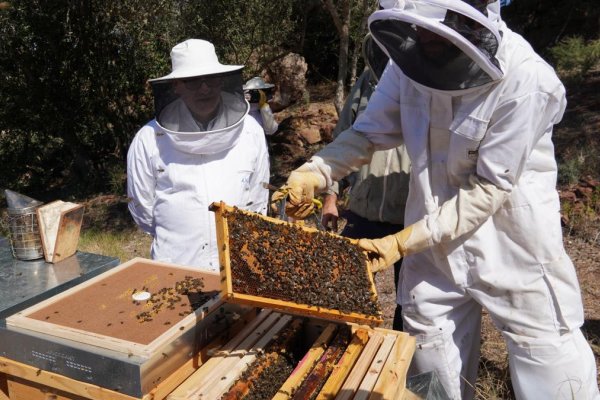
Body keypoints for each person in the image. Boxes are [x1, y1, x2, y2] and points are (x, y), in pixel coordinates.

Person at [273, 1, 600, 399]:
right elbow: (369, 133)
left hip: (512, 240)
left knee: (544, 351)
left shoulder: (527, 79)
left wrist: (399, 242)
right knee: (428, 345)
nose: (424, 39)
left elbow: (491, 187)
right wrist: (317, 170)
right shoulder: (409, 64)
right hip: (430, 240)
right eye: (415, 27)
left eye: (434, 29)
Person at [127, 39, 269, 271]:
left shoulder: (251, 130)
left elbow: (258, 199)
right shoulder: (148, 139)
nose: (204, 88)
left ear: (222, 80)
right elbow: (143, 210)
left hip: (239, 265)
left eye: (210, 78)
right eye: (191, 81)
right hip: (176, 267)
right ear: (176, 86)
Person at [321, 33, 410, 331]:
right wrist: (331, 197)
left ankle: (401, 361)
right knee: (345, 282)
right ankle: (343, 345)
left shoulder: (430, 86)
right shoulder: (367, 83)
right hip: (363, 207)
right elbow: (344, 138)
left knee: (412, 300)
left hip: (411, 216)